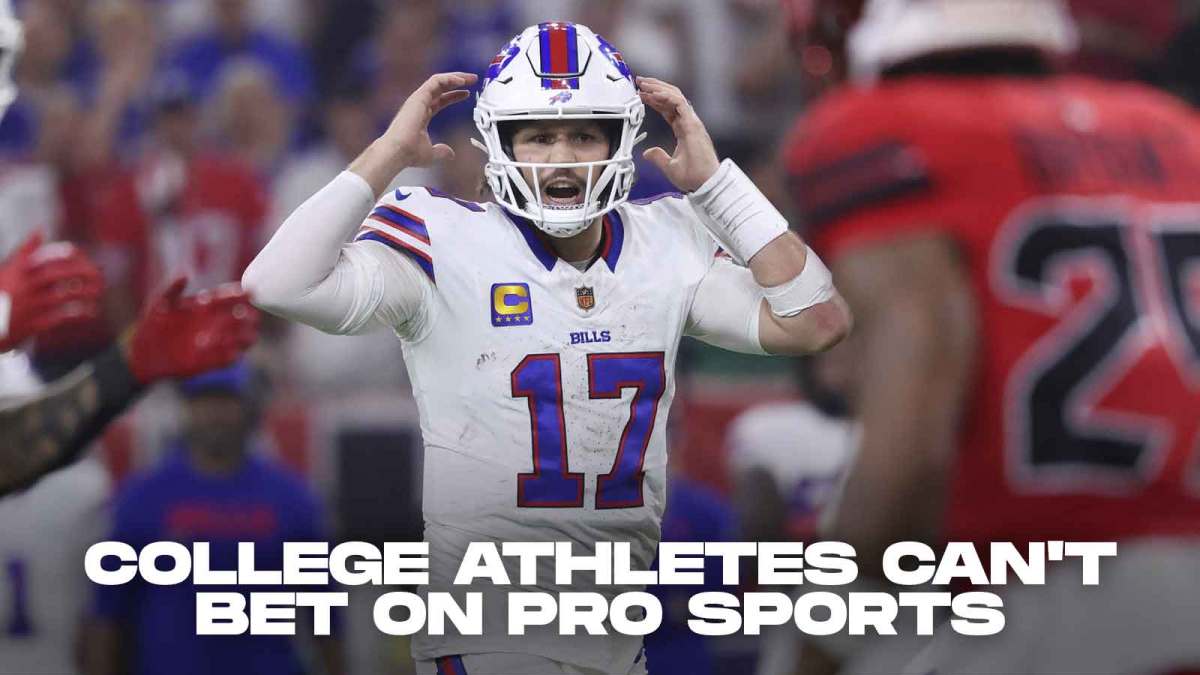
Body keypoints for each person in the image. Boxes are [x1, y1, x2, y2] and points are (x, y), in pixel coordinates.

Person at [244, 21, 850, 675]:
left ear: (620, 140)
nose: (561, 157)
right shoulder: (442, 236)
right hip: (490, 640)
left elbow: (817, 319)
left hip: (615, 641)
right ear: (500, 143)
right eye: (538, 135)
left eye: (583, 134)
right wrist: (388, 152)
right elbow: (276, 283)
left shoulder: (667, 238)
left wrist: (717, 187)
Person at [785, 0, 1200, 673]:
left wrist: (820, 640)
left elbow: (914, 435)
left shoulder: (884, 128)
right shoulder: (1174, 128)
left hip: (1030, 601)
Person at [83, 361, 343, 675]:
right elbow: (107, 614)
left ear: (248, 408)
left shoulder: (291, 499)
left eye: (226, 401)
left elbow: (324, 615)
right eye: (204, 401)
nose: (215, 414)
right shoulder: (142, 498)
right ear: (186, 409)